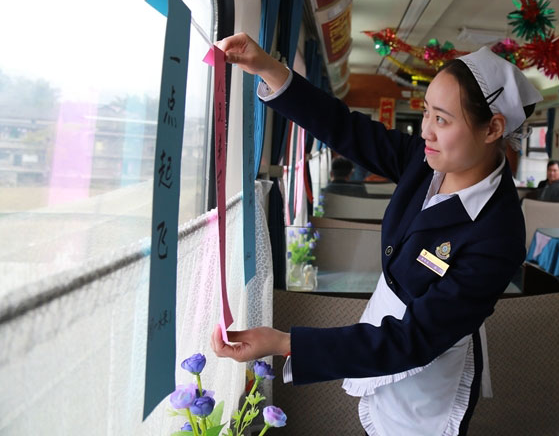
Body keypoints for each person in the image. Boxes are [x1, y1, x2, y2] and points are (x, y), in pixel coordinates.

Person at [210, 36, 541, 436]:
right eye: (426, 113)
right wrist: (266, 66)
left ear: (494, 129)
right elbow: (345, 129)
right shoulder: (424, 163)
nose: (427, 132)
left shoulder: (497, 234)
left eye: (442, 119)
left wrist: (283, 342)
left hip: (427, 367)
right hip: (384, 325)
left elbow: (412, 341)